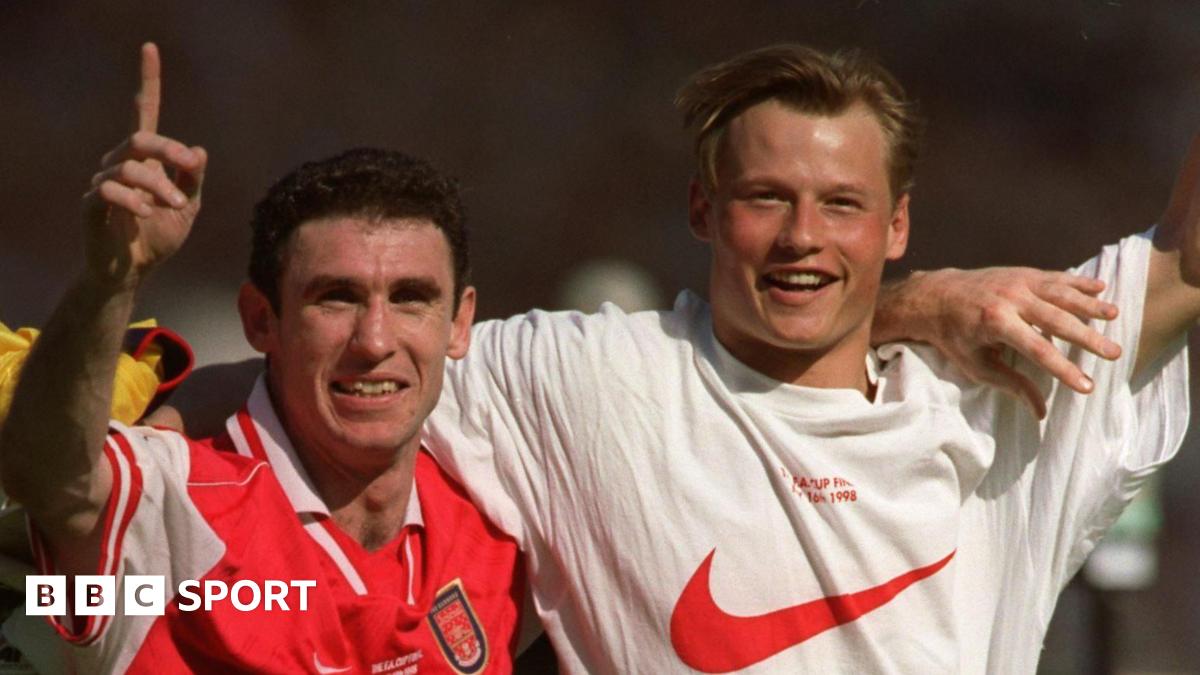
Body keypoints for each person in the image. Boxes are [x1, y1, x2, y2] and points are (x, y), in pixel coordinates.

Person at [413, 45, 1195, 672]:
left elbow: (1188, 263)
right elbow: (368, 368)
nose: (802, 235)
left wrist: (903, 306)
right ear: (702, 209)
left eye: (842, 203)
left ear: (897, 225)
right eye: (766, 197)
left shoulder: (1001, 384)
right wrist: (909, 300)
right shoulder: (588, 380)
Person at [0, 44, 525, 674]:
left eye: (411, 298)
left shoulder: (503, 509)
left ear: (460, 323)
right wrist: (109, 281)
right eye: (336, 298)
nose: (375, 340)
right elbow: (52, 482)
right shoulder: (179, 511)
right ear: (260, 320)